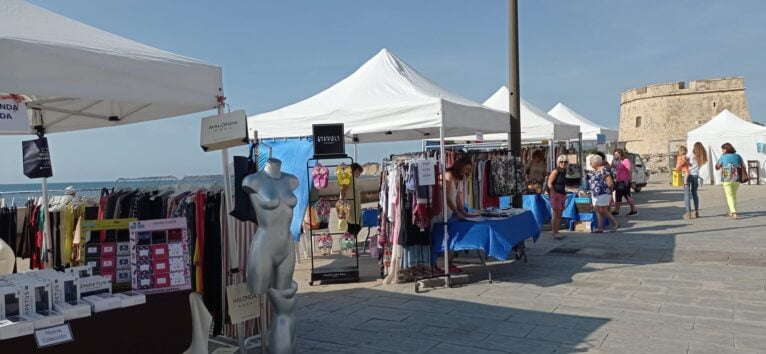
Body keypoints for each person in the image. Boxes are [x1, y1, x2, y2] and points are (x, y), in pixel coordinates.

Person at [715, 143, 746, 219]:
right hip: (737, 178)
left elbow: (717, 167)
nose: (722, 151)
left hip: (727, 178)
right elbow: (744, 166)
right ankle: (731, 211)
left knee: (729, 196)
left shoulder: (723, 157)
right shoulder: (738, 156)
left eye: (722, 149)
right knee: (733, 195)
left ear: (726, 149)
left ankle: (734, 212)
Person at [589, 155, 619, 233]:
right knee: (597, 209)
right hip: (596, 194)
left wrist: (610, 192)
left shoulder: (604, 169)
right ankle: (600, 227)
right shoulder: (595, 171)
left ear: (596, 162)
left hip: (604, 193)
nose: (590, 164)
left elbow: (609, 182)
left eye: (591, 162)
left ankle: (615, 224)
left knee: (603, 210)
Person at [445, 156, 479, 220]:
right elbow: (446, 197)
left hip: (449, 213)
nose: (467, 172)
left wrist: (465, 213)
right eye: (466, 169)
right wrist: (457, 212)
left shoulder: (457, 178)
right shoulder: (448, 175)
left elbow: (457, 198)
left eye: (469, 170)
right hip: (443, 213)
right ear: (460, 166)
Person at [680, 143, 708, 219]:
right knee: (694, 193)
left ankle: (688, 213)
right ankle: (696, 212)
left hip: (687, 174)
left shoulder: (690, 154)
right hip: (695, 175)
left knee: (687, 194)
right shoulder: (701, 157)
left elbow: (683, 160)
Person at [547, 155, 568, 239]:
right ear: (558, 162)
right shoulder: (556, 171)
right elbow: (549, 183)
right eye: (561, 161)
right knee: (556, 213)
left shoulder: (564, 171)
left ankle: (557, 231)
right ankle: (554, 232)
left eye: (565, 162)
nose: (563, 163)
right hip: (556, 194)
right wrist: (553, 192)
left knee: (560, 214)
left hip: (562, 193)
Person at [612, 148, 638, 216]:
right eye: (614, 154)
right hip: (619, 181)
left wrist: (631, 182)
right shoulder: (619, 161)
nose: (615, 155)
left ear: (620, 154)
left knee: (626, 196)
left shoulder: (626, 161)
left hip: (624, 181)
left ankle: (633, 210)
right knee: (621, 196)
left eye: (616, 154)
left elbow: (630, 171)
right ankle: (617, 211)